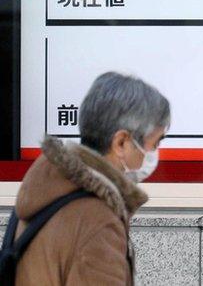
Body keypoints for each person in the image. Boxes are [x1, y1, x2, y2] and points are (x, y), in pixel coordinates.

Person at [11, 72, 170, 285]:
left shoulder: (47, 188)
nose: (154, 152)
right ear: (121, 142)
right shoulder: (97, 219)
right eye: (155, 143)